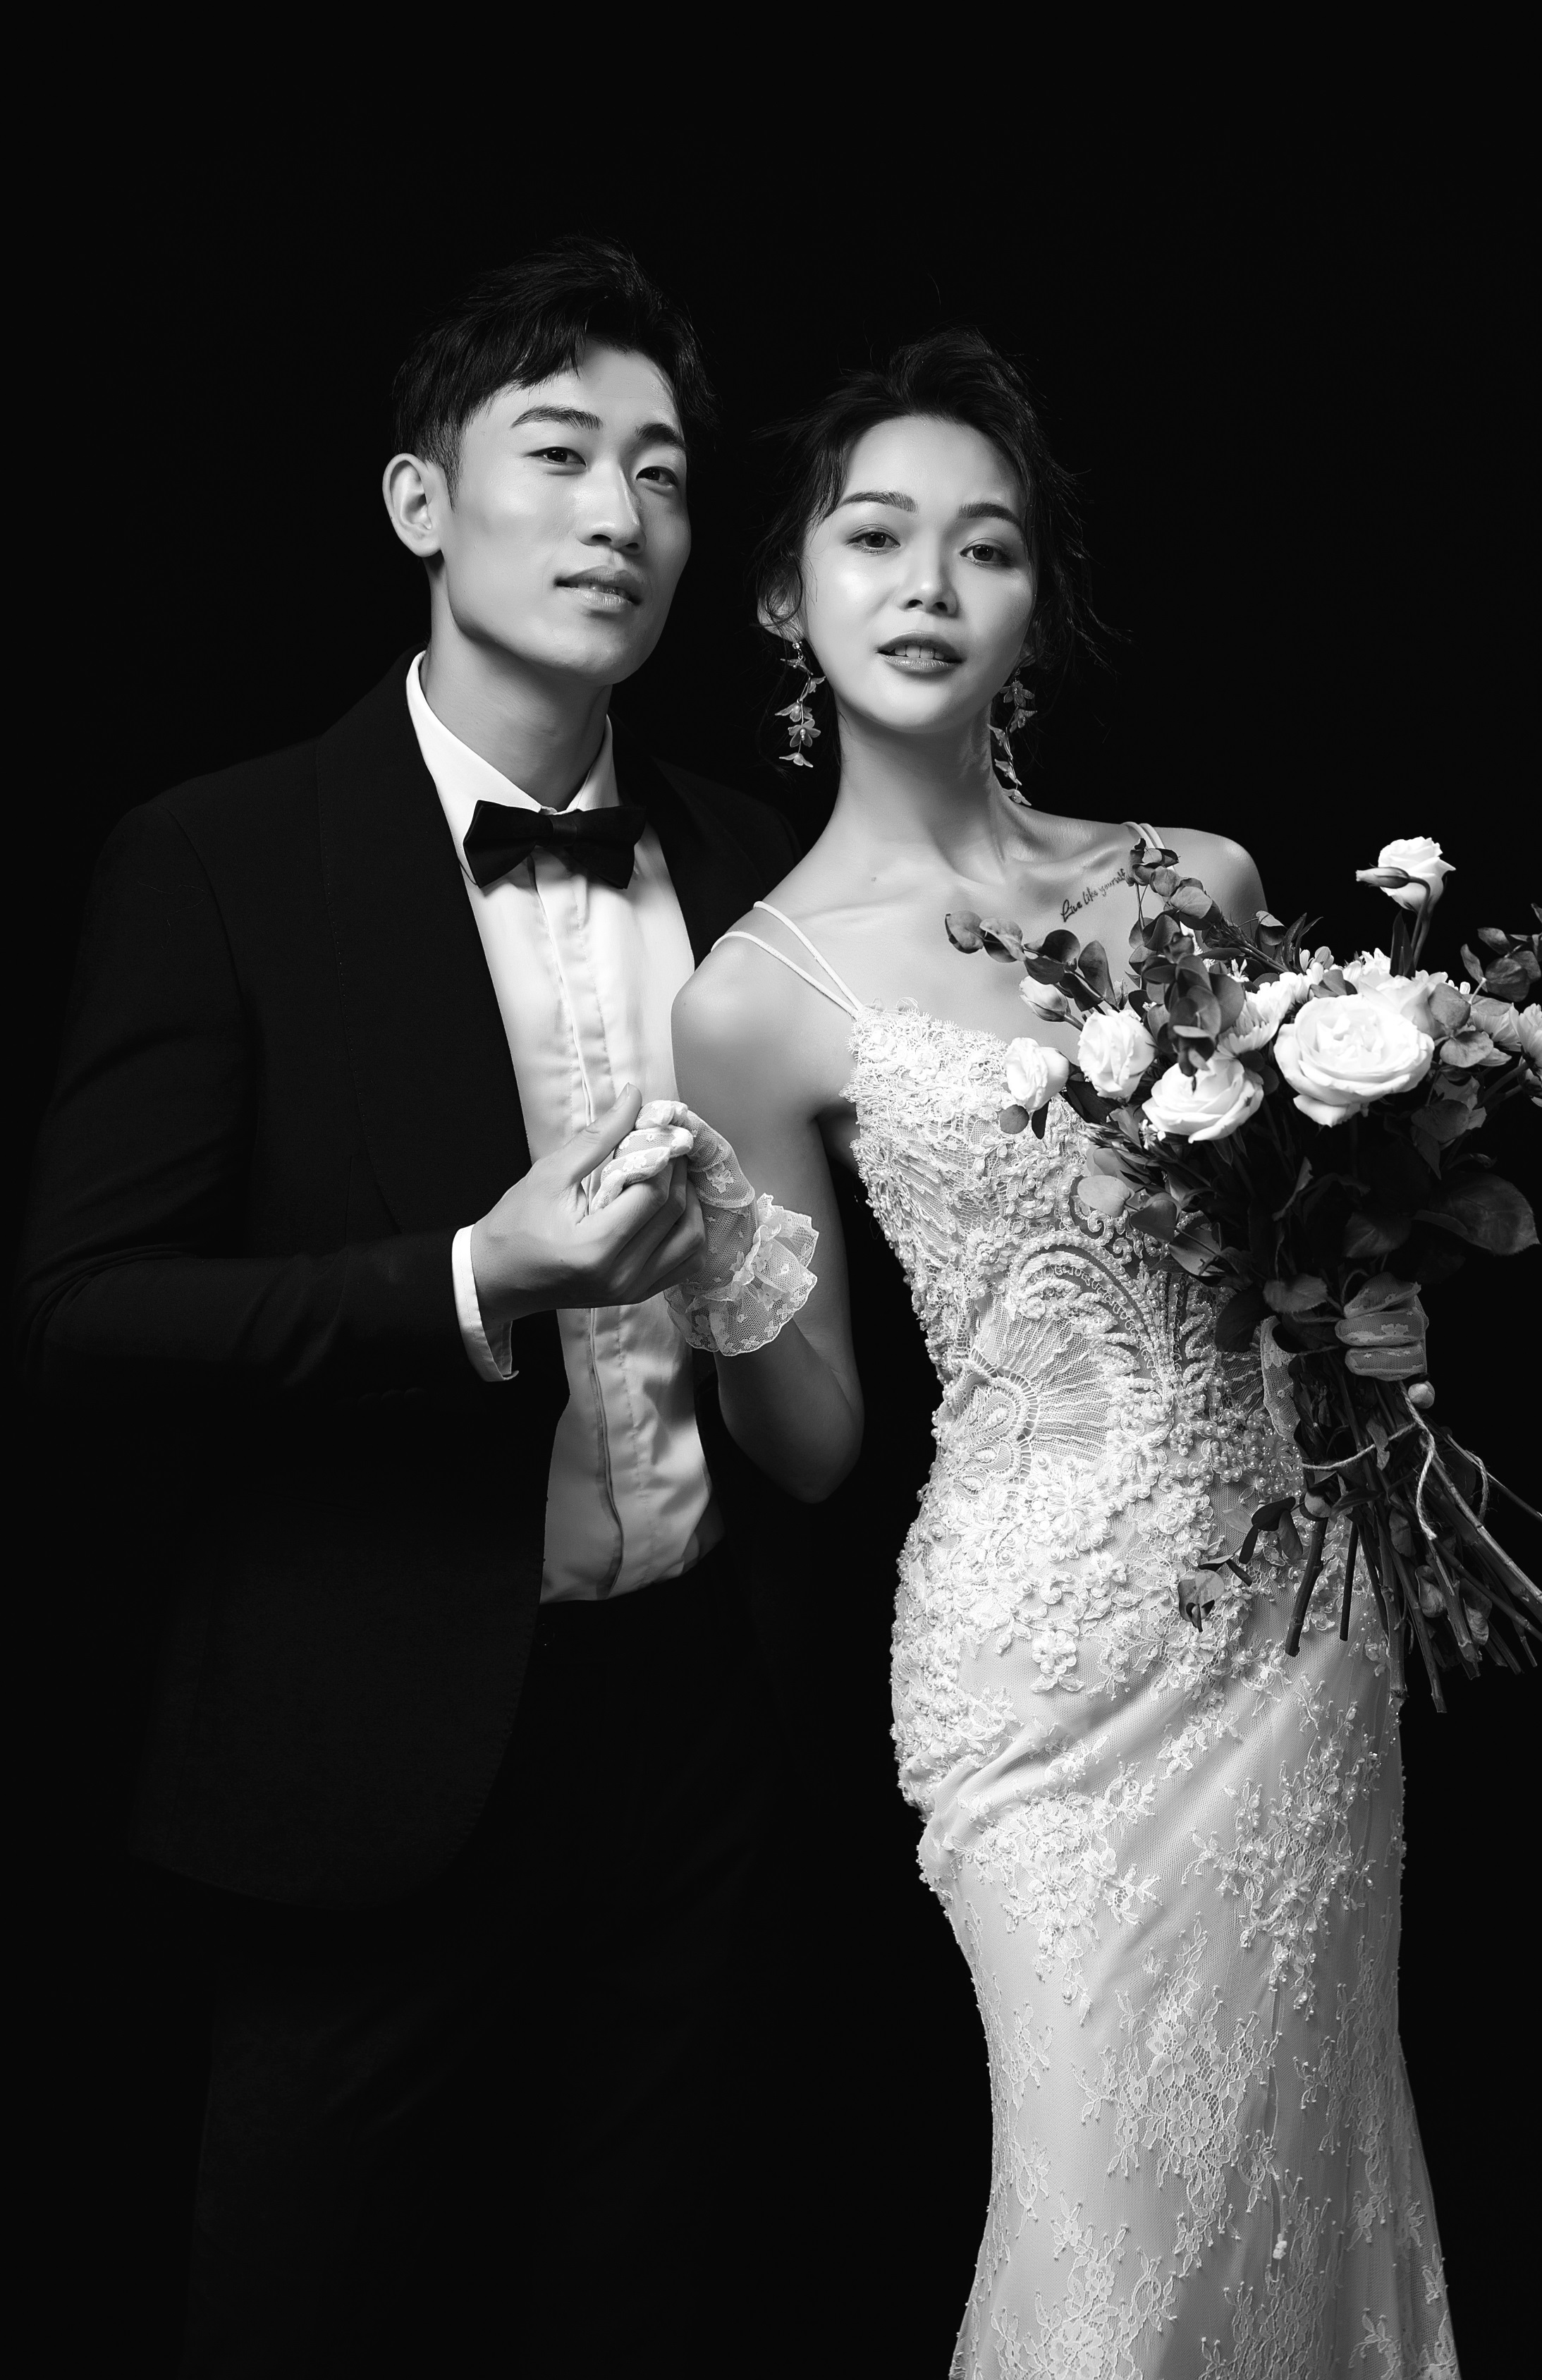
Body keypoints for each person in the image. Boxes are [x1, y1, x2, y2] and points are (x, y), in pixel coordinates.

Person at [16, 238, 805, 2373]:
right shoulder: (222, 857)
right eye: (559, 452)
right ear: (419, 501)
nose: (621, 513)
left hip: (705, 1738)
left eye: (662, 472)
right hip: (368, 1748)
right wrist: (470, 1280)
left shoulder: (757, 862)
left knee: (651, 2316)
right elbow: (82, 1314)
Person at [670, 331, 1459, 2375]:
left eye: (986, 545)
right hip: (1033, 1670)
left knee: (1293, 2190)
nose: (927, 585)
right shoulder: (750, 999)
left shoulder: (1195, 883)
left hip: (1290, 1626)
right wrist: (710, 1275)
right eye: (873, 538)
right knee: (1106, 2243)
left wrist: (1368, 1321)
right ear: (787, 597)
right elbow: (817, 1442)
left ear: (1034, 606)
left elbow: (1294, 1262)